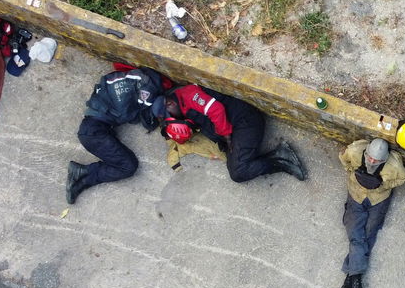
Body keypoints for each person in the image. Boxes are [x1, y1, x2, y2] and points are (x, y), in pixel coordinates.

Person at [155, 82, 308, 183]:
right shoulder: (180, 108)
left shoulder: (189, 96)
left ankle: (281, 159)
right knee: (235, 166)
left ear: (170, 103)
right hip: (233, 129)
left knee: (239, 173)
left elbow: (217, 110)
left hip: (246, 122)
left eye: (170, 117)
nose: (173, 120)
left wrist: (227, 136)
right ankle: (276, 155)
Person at [66, 66, 166, 205]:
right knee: (128, 166)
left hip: (94, 129)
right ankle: (83, 174)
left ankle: (82, 175)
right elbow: (146, 122)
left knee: (126, 164)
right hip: (93, 132)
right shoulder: (143, 87)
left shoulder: (127, 80)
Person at [337, 137, 405, 288]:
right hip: (356, 194)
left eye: (376, 161)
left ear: (384, 160)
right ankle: (355, 282)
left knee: (368, 234)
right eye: (369, 157)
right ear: (366, 151)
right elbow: (344, 159)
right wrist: (352, 173)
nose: (371, 162)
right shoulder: (355, 151)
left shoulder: (394, 166)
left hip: (378, 200)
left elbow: (402, 179)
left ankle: (351, 280)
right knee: (356, 235)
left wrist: (383, 185)